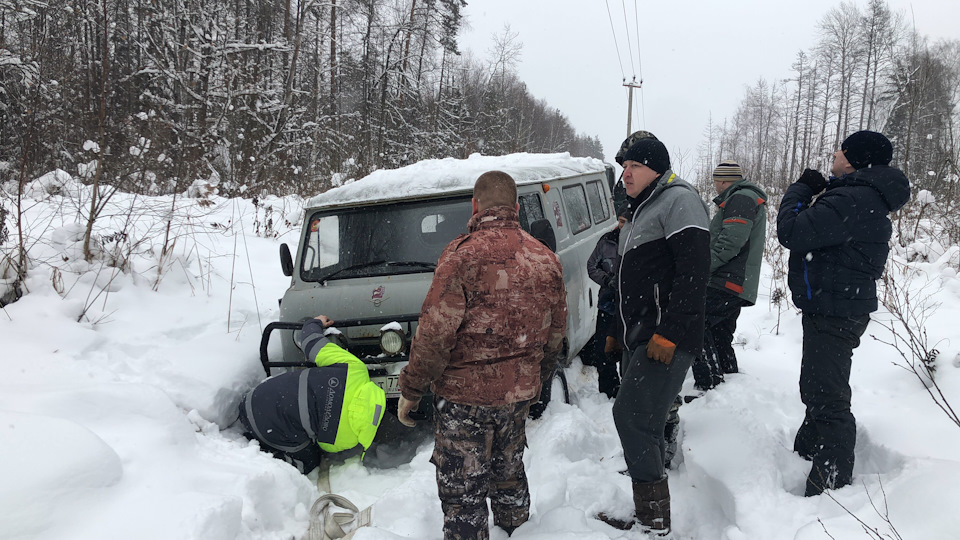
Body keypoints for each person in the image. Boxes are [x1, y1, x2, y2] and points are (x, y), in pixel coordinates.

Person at [396, 171, 567, 539]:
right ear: (517, 208)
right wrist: (537, 379)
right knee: (509, 474)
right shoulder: (545, 259)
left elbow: (435, 334)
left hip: (463, 399)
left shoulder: (460, 256)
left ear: (475, 205)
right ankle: (518, 532)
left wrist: (411, 389)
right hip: (518, 395)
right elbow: (556, 334)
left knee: (463, 493)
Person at [777, 130, 910, 496]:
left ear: (853, 160)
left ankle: (831, 486)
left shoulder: (853, 197)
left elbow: (791, 231)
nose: (834, 153)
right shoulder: (858, 194)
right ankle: (806, 453)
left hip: (836, 308)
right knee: (818, 386)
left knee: (827, 395)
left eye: (840, 149)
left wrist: (801, 189)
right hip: (836, 304)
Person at [600, 137, 710, 535]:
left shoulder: (679, 200)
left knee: (630, 418)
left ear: (656, 169)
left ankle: (654, 521)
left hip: (663, 337)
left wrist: (671, 333)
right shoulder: (640, 210)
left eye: (634, 166)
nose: (625, 174)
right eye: (623, 165)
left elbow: (694, 274)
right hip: (640, 334)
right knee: (643, 418)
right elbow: (628, 282)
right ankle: (649, 506)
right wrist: (616, 331)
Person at [237, 315, 387, 473]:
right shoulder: (348, 439)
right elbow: (324, 446)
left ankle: (257, 440)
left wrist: (315, 323)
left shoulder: (355, 369)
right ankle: (263, 455)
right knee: (310, 463)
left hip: (258, 395)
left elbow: (312, 343)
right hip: (268, 428)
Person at [691, 160, 768, 392]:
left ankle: (709, 383)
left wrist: (704, 266)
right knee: (719, 331)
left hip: (727, 279)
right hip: (734, 280)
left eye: (716, 181)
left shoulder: (740, 198)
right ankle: (728, 377)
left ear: (723, 181)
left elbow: (730, 242)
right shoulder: (743, 197)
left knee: (695, 323)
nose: (715, 186)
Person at [586, 206, 630, 398]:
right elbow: (591, 265)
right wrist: (606, 280)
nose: (623, 225)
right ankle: (608, 391)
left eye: (627, 222)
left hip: (632, 306)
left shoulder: (643, 240)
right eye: (621, 221)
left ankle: (629, 389)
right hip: (608, 304)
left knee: (629, 348)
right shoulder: (606, 241)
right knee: (602, 350)